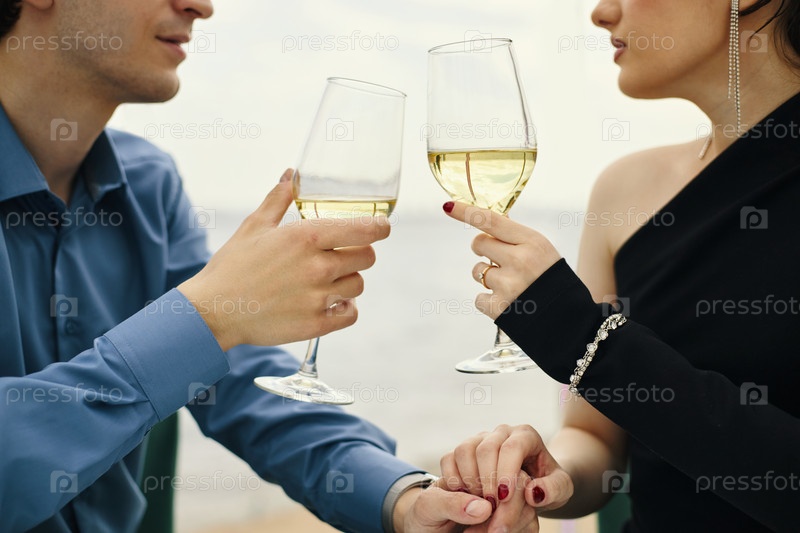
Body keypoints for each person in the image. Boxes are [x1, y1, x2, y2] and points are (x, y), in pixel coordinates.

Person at [0, 1, 538, 532]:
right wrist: (209, 317)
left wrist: (402, 502)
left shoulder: (149, 184)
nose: (200, 6)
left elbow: (240, 379)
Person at [438, 0, 800, 531]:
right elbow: (594, 435)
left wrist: (583, 338)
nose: (602, 12)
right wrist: (547, 476)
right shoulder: (624, 188)